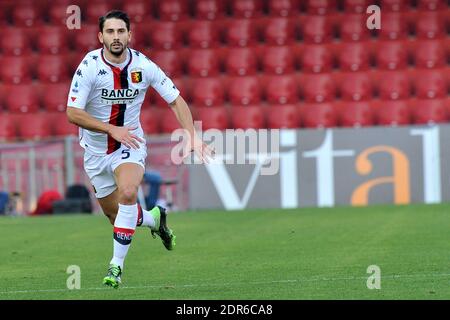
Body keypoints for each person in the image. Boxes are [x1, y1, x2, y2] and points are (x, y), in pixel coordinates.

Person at [66, 10, 214, 289]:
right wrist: (110, 129)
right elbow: (72, 113)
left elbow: (176, 99)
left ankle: (115, 267)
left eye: (121, 31)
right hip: (96, 152)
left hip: (129, 145)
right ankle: (154, 218)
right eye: (110, 32)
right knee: (117, 217)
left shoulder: (144, 67)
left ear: (129, 35)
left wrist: (191, 136)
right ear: (100, 37)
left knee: (129, 193)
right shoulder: (89, 66)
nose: (116, 37)